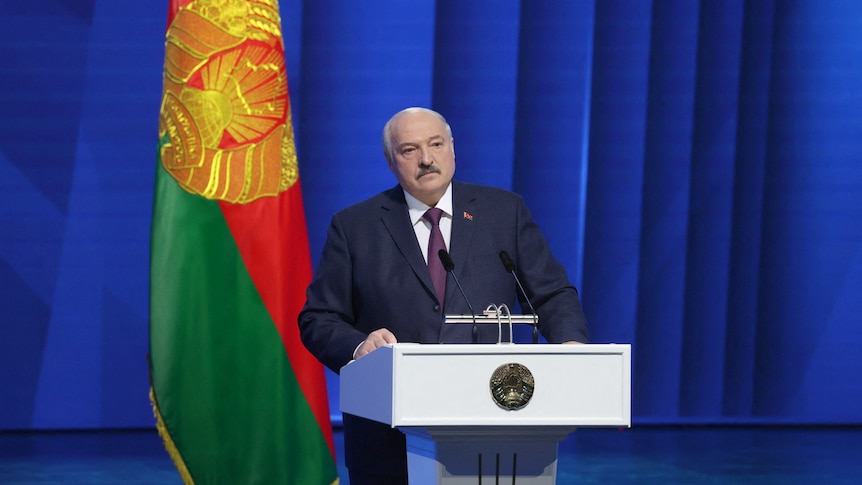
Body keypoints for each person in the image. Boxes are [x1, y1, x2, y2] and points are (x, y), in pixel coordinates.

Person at [298, 107, 589, 485]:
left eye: (436, 144)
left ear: (453, 148)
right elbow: (318, 318)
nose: (426, 159)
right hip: (388, 442)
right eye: (409, 150)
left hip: (493, 429)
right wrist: (359, 347)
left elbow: (551, 294)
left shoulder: (504, 212)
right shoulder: (355, 226)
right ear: (390, 161)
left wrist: (571, 346)